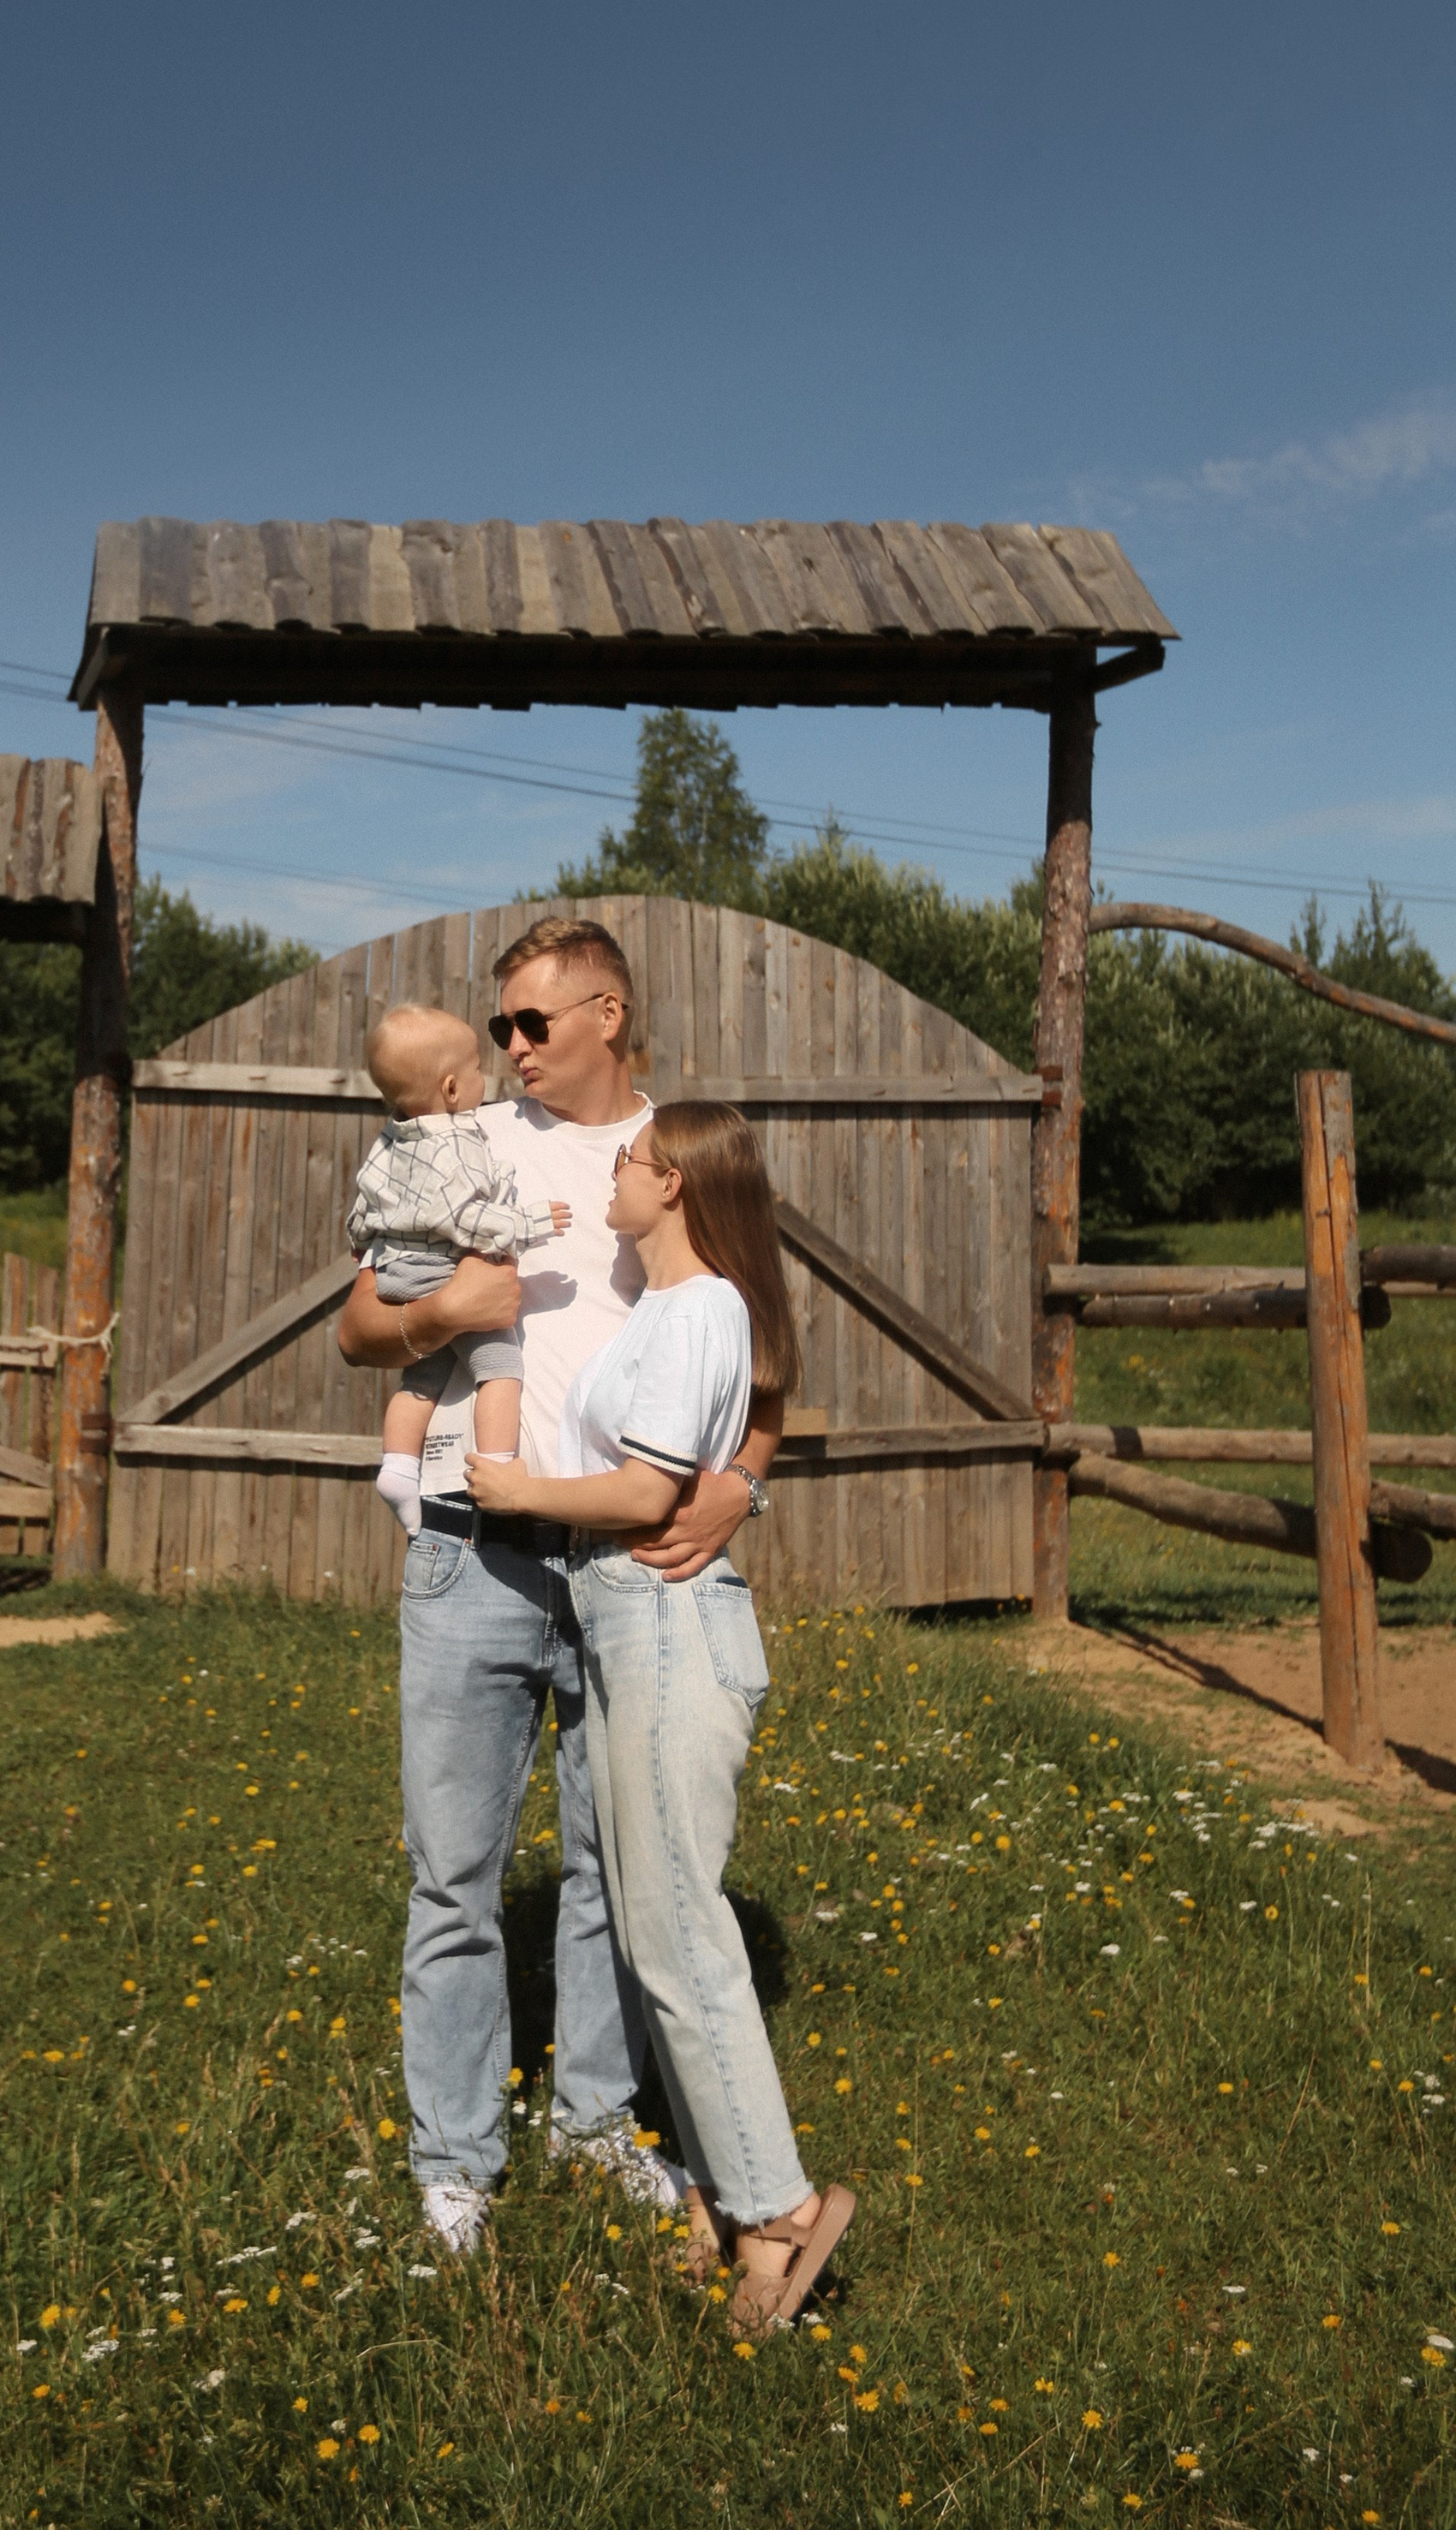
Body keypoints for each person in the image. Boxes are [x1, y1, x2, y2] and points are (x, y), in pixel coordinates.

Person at [336, 916, 786, 2257]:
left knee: (605, 1867)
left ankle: (596, 2126)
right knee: (454, 1871)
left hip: (621, 1568)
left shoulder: (682, 1157)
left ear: (606, 1012)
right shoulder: (464, 1141)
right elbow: (362, 1325)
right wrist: (445, 1319)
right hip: (471, 1553)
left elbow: (768, 1348)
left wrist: (742, 1481)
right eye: (500, 1030)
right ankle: (455, 2159)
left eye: (533, 1024)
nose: (509, 1050)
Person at [465, 1100, 856, 2329]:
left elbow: (645, 1488)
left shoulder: (703, 1310)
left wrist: (522, 1488)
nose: (619, 1177)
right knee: (654, 1935)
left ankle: (783, 2213)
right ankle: (729, 2200)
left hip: (666, 1626)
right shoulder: (674, 1311)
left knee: (681, 1935)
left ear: (676, 1183)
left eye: (633, 1162)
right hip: (630, 1619)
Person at [345, 1001, 572, 1536]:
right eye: (475, 1068)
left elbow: (363, 1211)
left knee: (422, 1377)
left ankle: (399, 1466)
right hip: (440, 1272)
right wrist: (527, 1223)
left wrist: (367, 1248)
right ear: (450, 1089)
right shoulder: (460, 1139)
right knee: (500, 1367)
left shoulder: (392, 1136)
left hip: (398, 1269)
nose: (493, 1068)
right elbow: (464, 1217)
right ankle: (495, 1468)